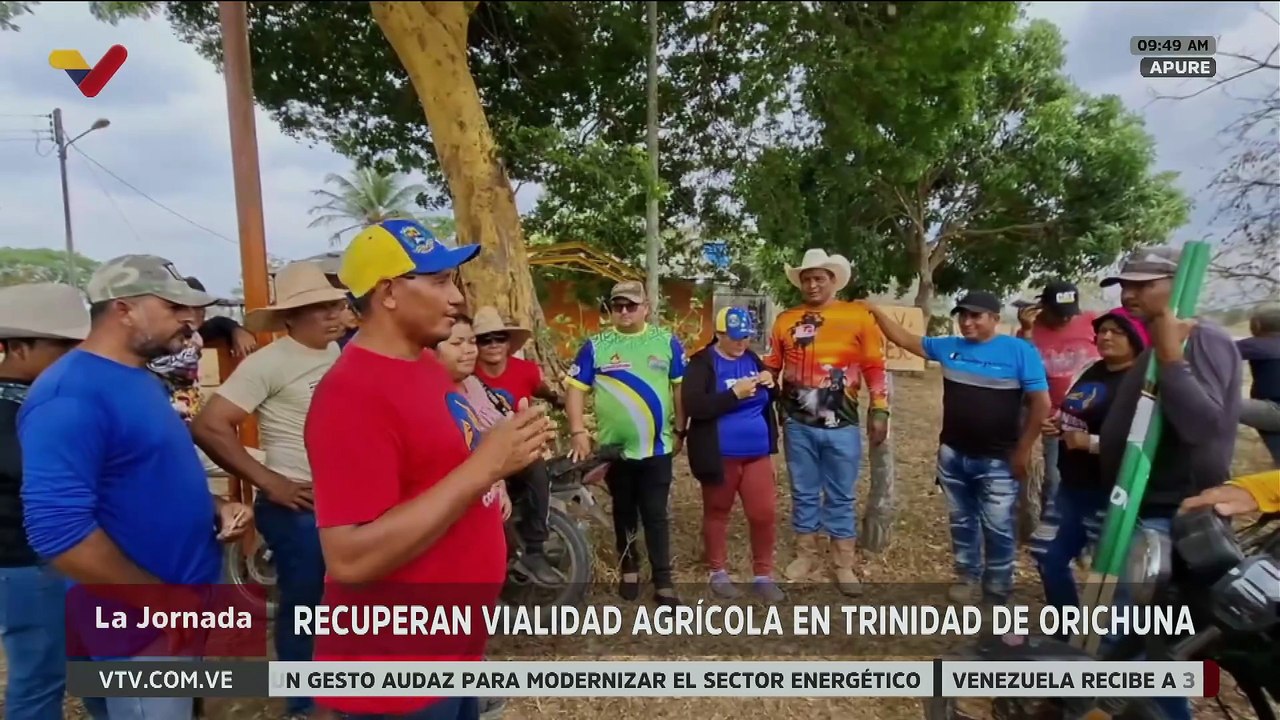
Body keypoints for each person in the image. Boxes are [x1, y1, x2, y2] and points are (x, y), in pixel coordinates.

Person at [304, 219, 553, 720]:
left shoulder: (423, 367)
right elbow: (349, 558)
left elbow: (440, 469)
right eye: (438, 281)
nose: (456, 296)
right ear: (389, 292)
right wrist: (485, 467)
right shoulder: (351, 395)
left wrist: (502, 456)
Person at [18, 255, 252, 720]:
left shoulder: (138, 379)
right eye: (172, 307)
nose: (189, 320)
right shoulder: (69, 396)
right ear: (122, 309)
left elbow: (143, 477)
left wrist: (214, 505)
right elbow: (57, 533)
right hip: (138, 622)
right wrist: (163, 605)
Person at [191, 260, 349, 720]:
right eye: (317, 308)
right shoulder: (268, 363)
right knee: (306, 605)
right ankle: (303, 702)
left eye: (334, 304)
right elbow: (210, 425)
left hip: (342, 503)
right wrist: (269, 481)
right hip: (297, 504)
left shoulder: (340, 352)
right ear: (288, 318)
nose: (332, 314)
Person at [1096, 246, 1243, 720]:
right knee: (1141, 641)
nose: (1129, 293)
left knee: (1145, 642)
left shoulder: (1202, 340)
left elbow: (1202, 425)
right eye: (1125, 284)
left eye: (1144, 283)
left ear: (1179, 282)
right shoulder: (1158, 338)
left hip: (1172, 515)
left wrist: (1172, 358)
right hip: (1140, 509)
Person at [869, 291, 1050, 604]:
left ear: (995, 319)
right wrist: (874, 311)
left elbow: (1041, 404)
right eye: (963, 315)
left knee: (998, 527)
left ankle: (997, 588)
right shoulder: (949, 347)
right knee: (962, 522)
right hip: (953, 456)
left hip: (998, 460)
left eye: (976, 316)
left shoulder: (1020, 351)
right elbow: (906, 339)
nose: (967, 322)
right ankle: (967, 576)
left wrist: (1024, 449)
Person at [762, 249, 889, 596]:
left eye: (819, 278)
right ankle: (806, 554)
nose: (813, 284)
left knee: (841, 494)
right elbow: (772, 364)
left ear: (833, 280)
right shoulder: (785, 320)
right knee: (803, 490)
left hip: (843, 424)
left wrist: (880, 409)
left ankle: (843, 562)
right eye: (807, 278)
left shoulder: (857, 317)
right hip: (798, 423)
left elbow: (875, 367)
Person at [566, 280, 686, 606]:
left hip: (657, 448)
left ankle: (663, 579)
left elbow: (678, 389)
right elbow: (576, 388)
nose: (623, 311)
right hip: (615, 451)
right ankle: (629, 567)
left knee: (655, 513)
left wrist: (681, 430)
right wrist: (578, 431)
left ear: (645, 308)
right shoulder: (596, 346)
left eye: (630, 305)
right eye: (617, 306)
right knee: (624, 511)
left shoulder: (666, 342)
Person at [0, 284, 88, 720]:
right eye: (63, 346)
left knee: (89, 667)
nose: (75, 356)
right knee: (39, 678)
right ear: (17, 348)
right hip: (27, 562)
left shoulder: (41, 400)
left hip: (62, 558)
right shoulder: (9, 413)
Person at [1035, 307, 1149, 611]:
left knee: (1109, 573)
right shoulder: (1094, 369)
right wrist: (1059, 424)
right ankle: (1065, 627)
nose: (1106, 336)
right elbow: (1077, 409)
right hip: (1072, 485)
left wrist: (1092, 443)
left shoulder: (1144, 382)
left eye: (1117, 331)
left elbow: (1146, 440)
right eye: (1102, 331)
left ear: (1137, 338)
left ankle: (1100, 643)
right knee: (1046, 555)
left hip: (1107, 491)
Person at [682, 306, 784, 602]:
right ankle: (718, 571)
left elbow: (768, 406)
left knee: (763, 513)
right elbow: (696, 407)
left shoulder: (751, 359)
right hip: (720, 454)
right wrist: (733, 395)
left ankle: (763, 575)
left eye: (746, 337)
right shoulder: (702, 363)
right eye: (735, 338)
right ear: (719, 334)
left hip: (757, 453)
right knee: (717, 511)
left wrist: (770, 384)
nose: (742, 343)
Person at [471, 305, 562, 584]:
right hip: (480, 453)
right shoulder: (467, 373)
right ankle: (505, 557)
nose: (493, 345)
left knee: (536, 467)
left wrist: (563, 403)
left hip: (519, 451)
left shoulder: (526, 371)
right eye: (484, 339)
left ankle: (535, 549)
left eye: (499, 337)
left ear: (508, 342)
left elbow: (547, 393)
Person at [1016, 281, 1100, 553]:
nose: (1065, 317)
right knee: (1040, 471)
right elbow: (1022, 366)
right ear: (1042, 308)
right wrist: (1027, 332)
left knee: (1066, 474)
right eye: (1058, 312)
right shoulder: (1029, 332)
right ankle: (1039, 527)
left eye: (1069, 312)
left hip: (1080, 414)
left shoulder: (1092, 323)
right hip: (1044, 411)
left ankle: (1066, 531)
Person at [433, 314, 512, 521]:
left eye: (472, 342)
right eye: (457, 343)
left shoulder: (475, 384)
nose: (468, 350)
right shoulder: (431, 397)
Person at [1236, 305, 1280, 462]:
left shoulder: (1257, 345)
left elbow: (1220, 350)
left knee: (1222, 405)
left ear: (1257, 325)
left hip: (1275, 410)